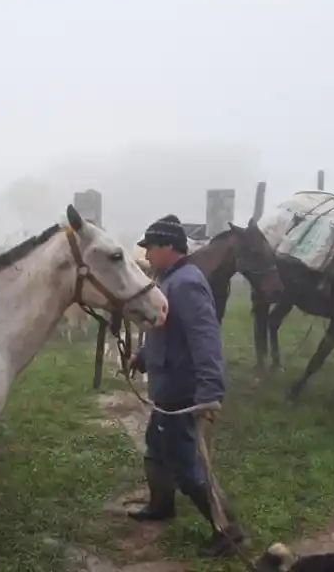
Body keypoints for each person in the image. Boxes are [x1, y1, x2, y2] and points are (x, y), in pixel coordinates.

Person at [126, 214, 245, 557]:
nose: (146, 255)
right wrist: (145, 355)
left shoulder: (187, 282)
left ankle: (229, 530)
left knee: (186, 463)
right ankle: (162, 504)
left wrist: (210, 393)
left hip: (182, 392)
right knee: (156, 447)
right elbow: (165, 327)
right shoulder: (168, 279)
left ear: (168, 247)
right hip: (166, 387)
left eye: (150, 248)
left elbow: (205, 339)